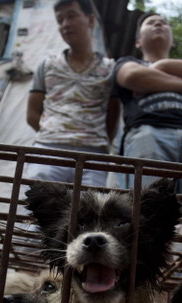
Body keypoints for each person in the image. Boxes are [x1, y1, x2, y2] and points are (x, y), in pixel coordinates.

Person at [112, 12, 182, 222]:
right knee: (147, 206)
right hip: (147, 132)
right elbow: (132, 76)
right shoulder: (126, 62)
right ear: (138, 41)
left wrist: (163, 66)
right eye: (151, 23)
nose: (158, 24)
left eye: (163, 23)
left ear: (172, 41)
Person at [25, 0, 119, 187]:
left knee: (88, 214)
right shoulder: (47, 65)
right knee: (39, 213)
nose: (65, 24)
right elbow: (32, 114)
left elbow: (113, 116)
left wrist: (93, 139)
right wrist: (55, 134)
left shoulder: (110, 68)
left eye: (71, 16)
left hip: (94, 156)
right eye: (60, 20)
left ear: (90, 20)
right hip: (48, 150)